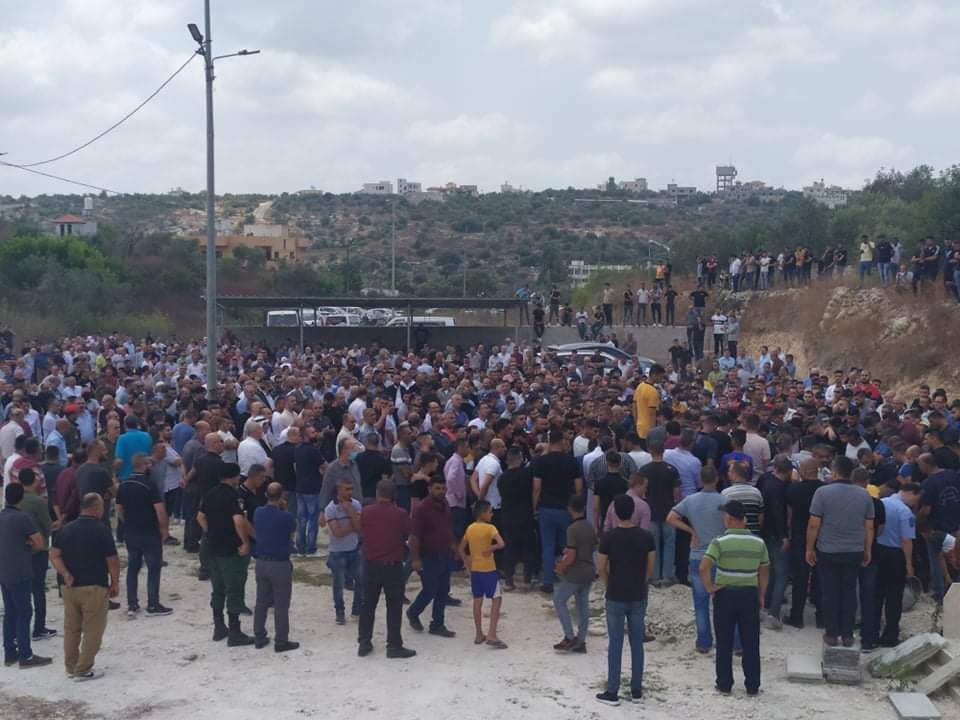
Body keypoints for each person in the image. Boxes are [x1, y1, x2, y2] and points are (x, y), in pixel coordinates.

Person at [700, 500, 769, 697]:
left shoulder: (719, 542)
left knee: (724, 641)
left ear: (729, 519)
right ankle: (752, 685)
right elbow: (764, 570)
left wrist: (710, 588)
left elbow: (703, 567)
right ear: (744, 520)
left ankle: (724, 684)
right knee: (751, 641)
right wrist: (761, 594)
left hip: (725, 594)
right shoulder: (759, 543)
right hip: (749, 594)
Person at [805, 455, 875, 647]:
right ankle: (847, 634)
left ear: (835, 472)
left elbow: (814, 524)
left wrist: (809, 548)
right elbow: (869, 527)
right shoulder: (864, 495)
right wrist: (868, 549)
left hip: (828, 549)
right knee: (849, 591)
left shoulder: (822, 493)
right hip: (854, 550)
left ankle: (831, 633)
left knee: (829, 592)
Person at [50, 492, 120, 680]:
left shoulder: (66, 529)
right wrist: (115, 582)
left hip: (69, 587)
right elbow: (112, 560)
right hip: (94, 587)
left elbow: (54, 555)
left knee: (71, 629)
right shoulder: (102, 530)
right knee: (93, 630)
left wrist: (65, 573)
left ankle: (71, 666)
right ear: (97, 508)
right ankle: (83, 669)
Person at [595, 494, 656, 706]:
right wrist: (641, 582)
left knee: (616, 644)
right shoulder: (646, 537)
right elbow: (650, 567)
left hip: (616, 594)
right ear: (633, 511)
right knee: (637, 643)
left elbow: (601, 567)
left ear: (615, 512)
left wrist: (608, 584)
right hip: (638, 593)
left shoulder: (608, 538)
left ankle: (613, 690)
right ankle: (636, 690)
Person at [667, 466, 727, 653]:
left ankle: (703, 642)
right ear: (717, 479)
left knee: (701, 603)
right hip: (721, 556)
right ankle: (730, 641)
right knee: (725, 603)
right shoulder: (725, 500)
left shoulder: (690, 500)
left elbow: (671, 518)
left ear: (700, 480)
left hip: (698, 556)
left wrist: (691, 530)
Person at [197, 462, 255, 647]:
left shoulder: (210, 493)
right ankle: (235, 632)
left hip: (212, 547)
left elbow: (200, 517)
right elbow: (238, 520)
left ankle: (219, 627)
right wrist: (245, 542)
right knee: (234, 588)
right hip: (230, 549)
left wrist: (212, 531)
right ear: (235, 477)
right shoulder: (233, 495)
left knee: (218, 588)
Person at [358, 479, 415, 659]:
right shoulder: (400, 514)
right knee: (394, 606)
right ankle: (394, 645)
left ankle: (364, 642)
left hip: (371, 565)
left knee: (368, 605)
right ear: (394, 495)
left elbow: (361, 530)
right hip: (392, 566)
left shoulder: (366, 511)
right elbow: (409, 532)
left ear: (377, 493)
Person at [0, 483, 50, 668]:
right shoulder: (23, 518)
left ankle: (9, 653)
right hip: (20, 570)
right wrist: (28, 546)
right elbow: (40, 542)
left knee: (10, 612)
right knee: (24, 612)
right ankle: (26, 655)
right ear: (21, 498)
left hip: (4, 570)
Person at [115, 453, 172, 617]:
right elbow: (159, 509)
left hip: (131, 531)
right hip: (149, 531)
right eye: (149, 464)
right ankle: (153, 604)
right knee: (154, 567)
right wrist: (164, 529)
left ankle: (132, 604)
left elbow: (119, 508)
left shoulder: (124, 485)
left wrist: (126, 522)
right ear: (145, 465)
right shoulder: (149, 484)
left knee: (133, 567)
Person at [532, 429, 583, 594]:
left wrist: (534, 507)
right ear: (562, 441)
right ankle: (567, 578)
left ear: (549, 441)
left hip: (546, 508)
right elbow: (578, 487)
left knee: (547, 546)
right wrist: (577, 508)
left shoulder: (541, 461)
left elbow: (537, 488)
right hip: (566, 509)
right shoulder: (572, 461)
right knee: (567, 546)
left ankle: (548, 581)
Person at [407, 475, 458, 638]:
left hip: (444, 554)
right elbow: (414, 536)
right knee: (430, 589)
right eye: (437, 488)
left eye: (443, 488)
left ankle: (437, 624)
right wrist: (415, 559)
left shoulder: (445, 504)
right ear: (429, 489)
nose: (441, 491)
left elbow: (448, 527)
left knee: (443, 590)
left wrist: (454, 546)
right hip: (427, 556)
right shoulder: (421, 509)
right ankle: (413, 612)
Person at [252, 482, 298, 652]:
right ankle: (281, 640)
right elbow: (291, 531)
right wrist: (283, 509)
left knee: (261, 602)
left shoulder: (258, 512)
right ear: (282, 497)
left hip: (261, 562)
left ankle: (259, 636)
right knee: (281, 604)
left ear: (266, 495)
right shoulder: (287, 517)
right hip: (280, 564)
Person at [875, 483, 922, 647]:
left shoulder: (882, 503)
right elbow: (906, 540)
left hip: (877, 552)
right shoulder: (904, 512)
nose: (916, 503)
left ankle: (871, 633)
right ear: (911, 493)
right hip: (896, 556)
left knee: (875, 595)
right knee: (894, 598)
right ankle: (890, 636)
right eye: (917, 498)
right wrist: (909, 564)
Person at [459, 500, 507, 649]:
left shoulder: (470, 528)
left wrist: (468, 564)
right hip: (489, 569)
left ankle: (479, 633)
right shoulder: (490, 528)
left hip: (475, 570)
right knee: (496, 599)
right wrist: (491, 548)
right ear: (484, 513)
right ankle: (492, 633)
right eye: (490, 512)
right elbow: (501, 543)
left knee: (477, 600)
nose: (492, 514)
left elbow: (461, 549)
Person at [553, 494, 596, 654]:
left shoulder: (572, 529)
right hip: (589, 570)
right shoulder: (590, 527)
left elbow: (571, 556)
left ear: (570, 509)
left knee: (559, 600)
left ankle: (569, 637)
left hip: (576, 572)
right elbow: (592, 547)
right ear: (584, 508)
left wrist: (561, 566)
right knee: (582, 605)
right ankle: (581, 640)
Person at [18, 468, 57, 642]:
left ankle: (21, 627)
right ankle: (39, 627)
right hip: (39, 550)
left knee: (22, 590)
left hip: (20, 550)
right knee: (38, 589)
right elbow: (47, 526)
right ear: (35, 481)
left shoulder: (15, 500)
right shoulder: (38, 501)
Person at [785, 458, 823, 629]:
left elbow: (789, 513)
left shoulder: (794, 489)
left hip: (799, 536)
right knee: (820, 578)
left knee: (800, 578)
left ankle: (797, 616)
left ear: (804, 471)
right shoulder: (824, 489)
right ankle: (821, 616)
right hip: (821, 537)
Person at [325, 479, 364, 625]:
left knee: (361, 580)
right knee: (338, 585)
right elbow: (337, 533)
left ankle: (357, 611)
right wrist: (354, 525)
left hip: (354, 549)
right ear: (338, 490)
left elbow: (359, 528)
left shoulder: (356, 505)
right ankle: (340, 612)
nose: (350, 492)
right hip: (337, 552)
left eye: (351, 489)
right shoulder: (331, 508)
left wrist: (350, 512)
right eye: (347, 489)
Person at [643, 440, 680, 585]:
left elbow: (642, 491)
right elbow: (677, 493)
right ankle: (667, 575)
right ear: (663, 451)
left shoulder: (644, 470)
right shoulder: (672, 469)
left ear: (650, 451)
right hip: (669, 511)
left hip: (651, 511)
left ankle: (654, 575)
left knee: (654, 545)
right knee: (670, 544)